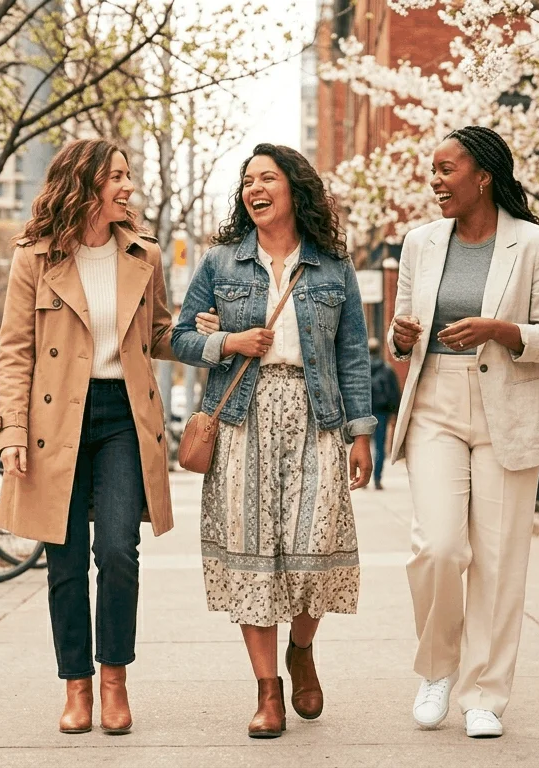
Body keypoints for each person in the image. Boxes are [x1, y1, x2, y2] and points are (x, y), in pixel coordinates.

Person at [174, 143, 375, 739]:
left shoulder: (333, 268)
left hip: (315, 416)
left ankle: (302, 648)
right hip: (240, 416)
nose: (254, 189)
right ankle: (267, 689)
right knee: (251, 552)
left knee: (316, 544)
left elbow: (353, 356)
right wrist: (228, 344)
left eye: (266, 178)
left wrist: (361, 434)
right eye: (246, 181)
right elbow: (178, 336)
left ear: (294, 189)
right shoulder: (220, 264)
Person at [387, 126, 539, 739]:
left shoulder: (536, 245)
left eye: (445, 169)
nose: (435, 181)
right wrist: (400, 338)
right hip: (435, 399)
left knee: (497, 558)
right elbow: (401, 330)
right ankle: (437, 670)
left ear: (482, 176)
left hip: (506, 408)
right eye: (432, 170)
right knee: (438, 548)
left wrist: (503, 328)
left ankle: (485, 694)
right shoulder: (420, 242)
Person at [0, 138, 176, 737]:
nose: (128, 186)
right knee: (65, 557)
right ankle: (75, 685)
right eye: (117, 177)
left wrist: (216, 337)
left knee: (119, 551)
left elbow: (159, 335)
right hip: (55, 421)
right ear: (86, 183)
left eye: (128, 175)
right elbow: (15, 351)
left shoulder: (144, 254)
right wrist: (12, 431)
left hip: (123, 413)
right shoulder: (36, 257)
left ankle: (114, 679)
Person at [368, 338, 401, 490]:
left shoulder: (361, 369)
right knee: (380, 447)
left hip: (365, 412)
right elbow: (394, 392)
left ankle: (363, 478)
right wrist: (394, 412)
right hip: (381, 412)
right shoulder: (387, 369)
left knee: (363, 445)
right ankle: (377, 479)